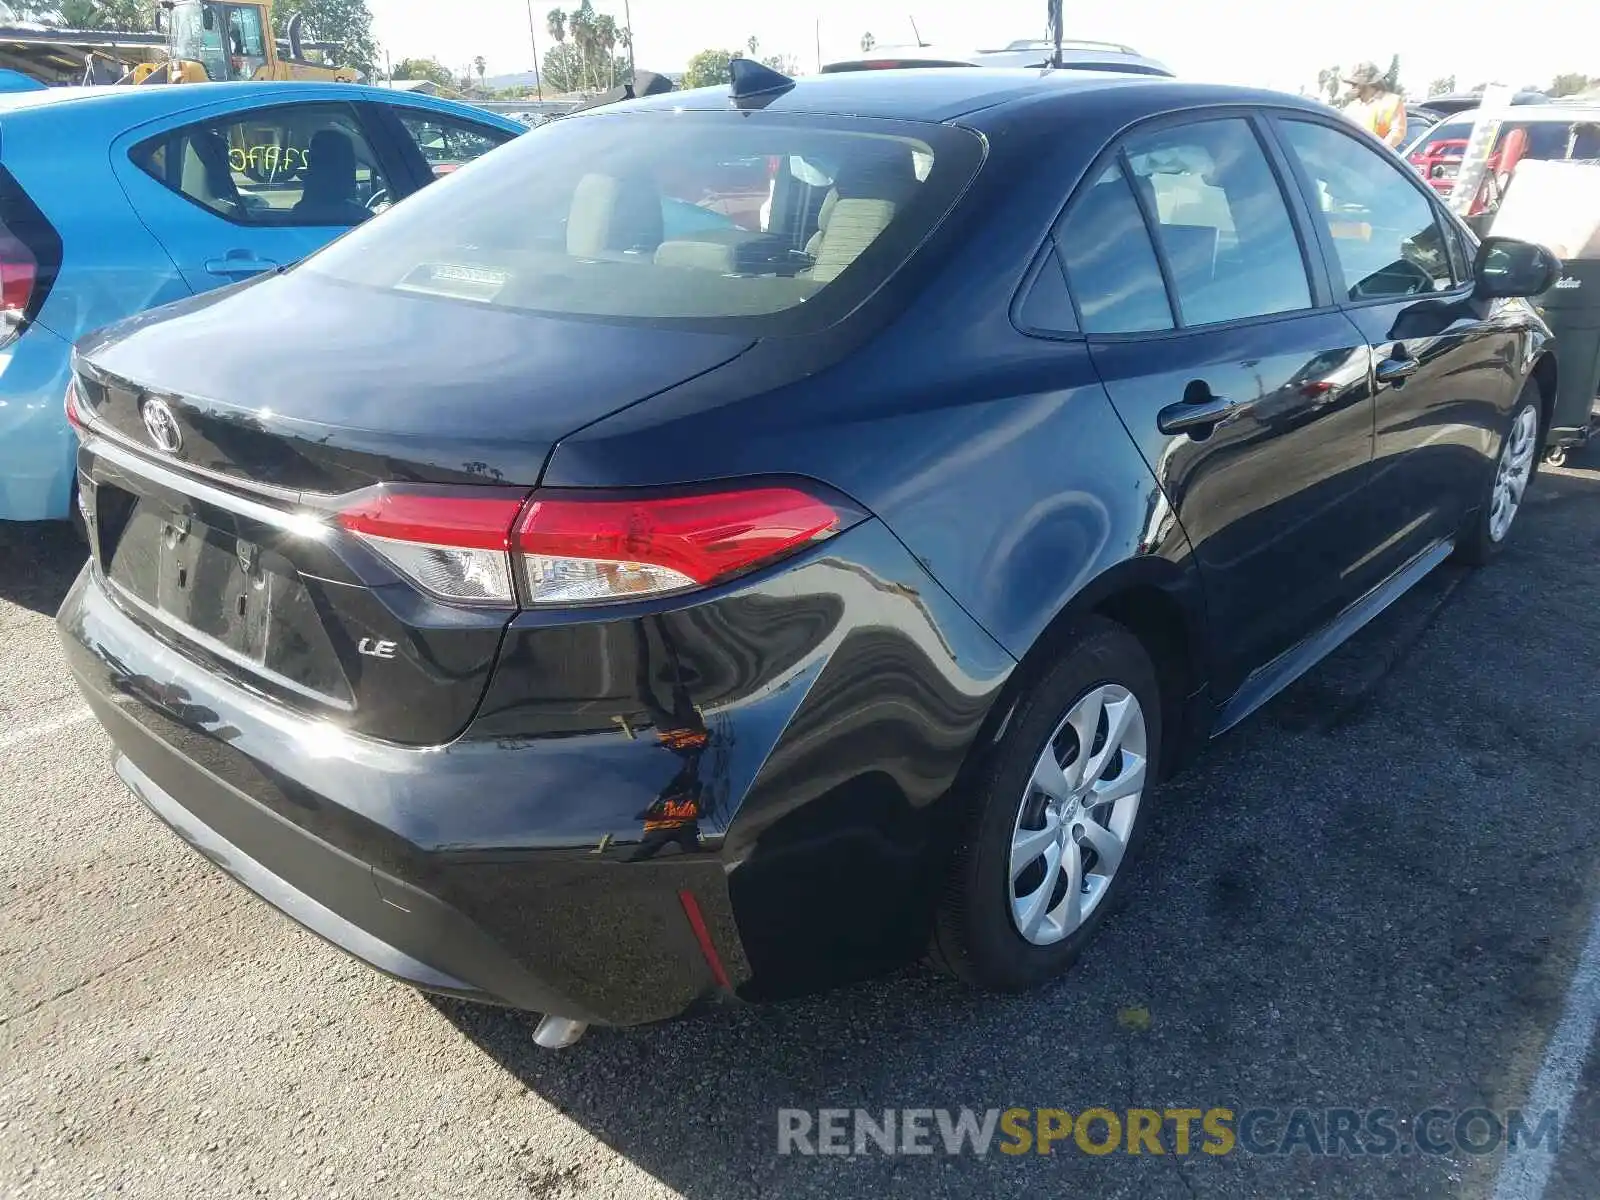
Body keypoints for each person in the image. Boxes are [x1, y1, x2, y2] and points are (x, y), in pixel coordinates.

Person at [1343, 62, 1407, 150]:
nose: (1352, 88)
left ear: (1368, 84)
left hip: (1376, 159)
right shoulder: (1351, 107)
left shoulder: (1391, 102)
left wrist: (1378, 151)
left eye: (1355, 84)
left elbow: (1397, 133)